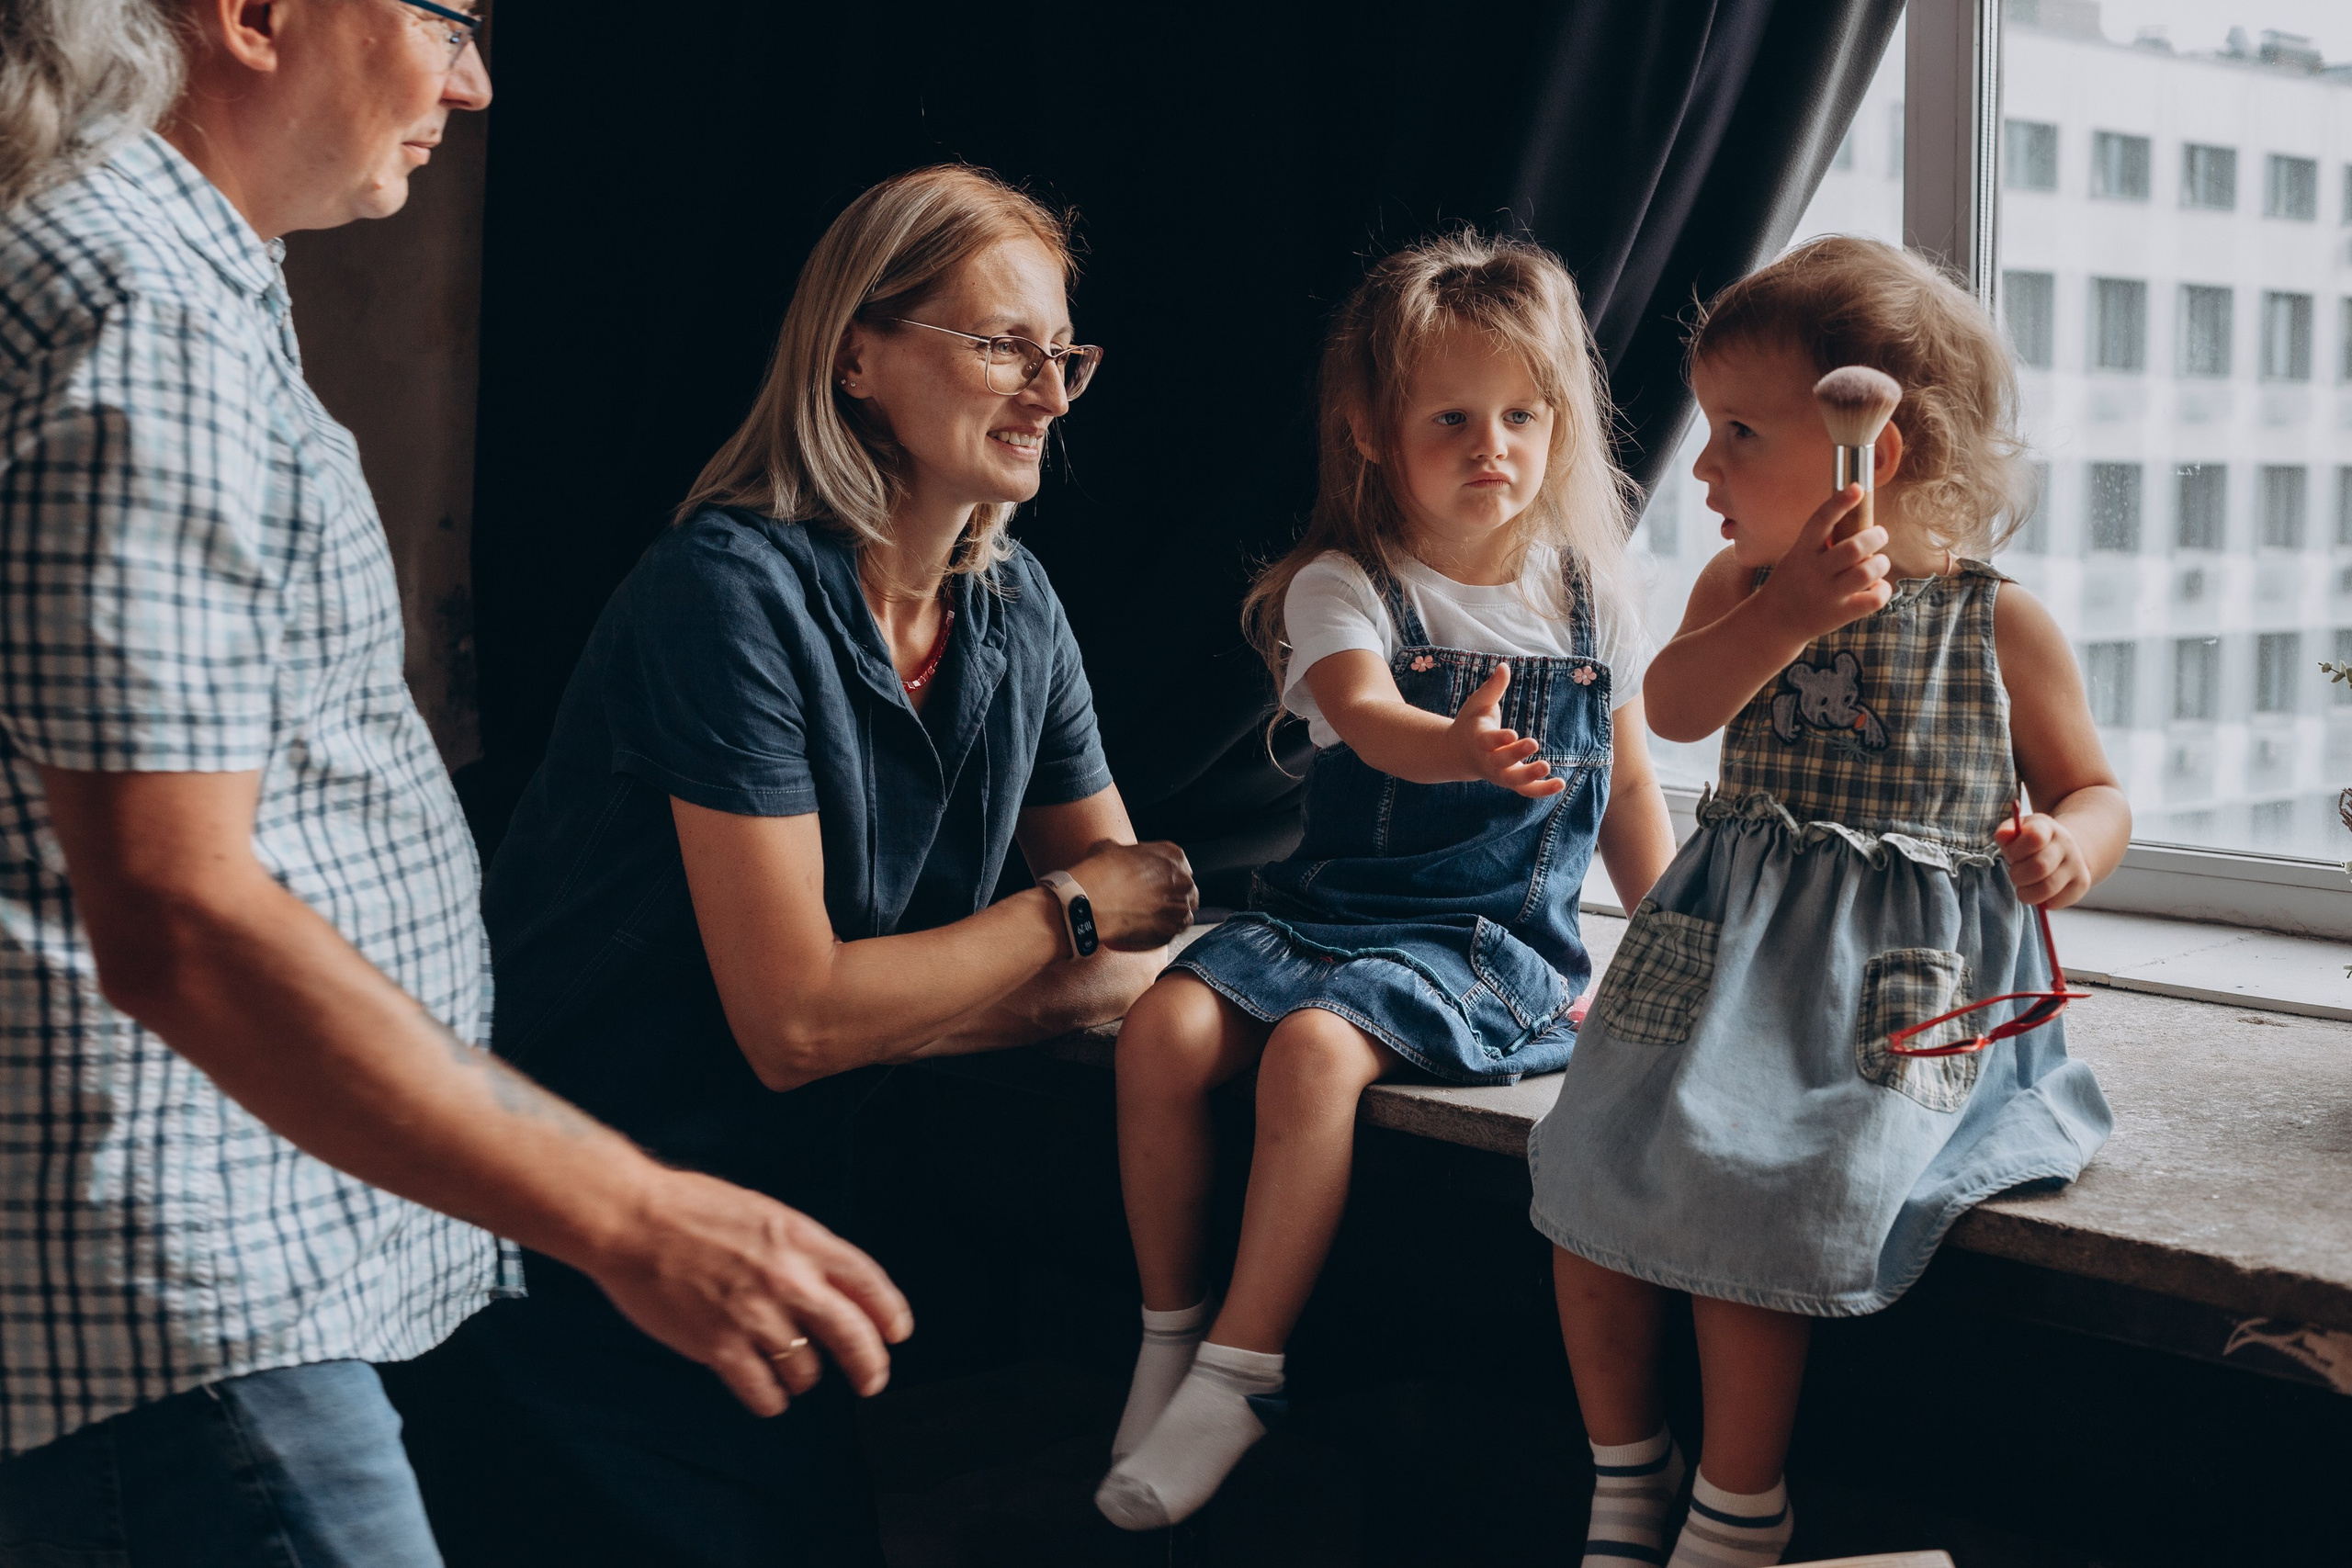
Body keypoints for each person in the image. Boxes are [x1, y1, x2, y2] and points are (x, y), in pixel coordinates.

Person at [0, 4, 910, 1563]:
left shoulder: (174, 284)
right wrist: (629, 1214)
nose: (475, 82)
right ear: (258, 15)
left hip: (205, 1282)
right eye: (450, 19)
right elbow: (175, 910)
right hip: (179, 1302)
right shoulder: (144, 304)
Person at [406, 164, 1196, 1564]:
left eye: (1062, 351)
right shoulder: (725, 594)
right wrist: (1059, 913)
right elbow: (803, 1021)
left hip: (777, 1237)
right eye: (1003, 343)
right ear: (857, 358)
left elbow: (1135, 964)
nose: (1050, 390)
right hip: (563, 1247)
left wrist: (902, 1001)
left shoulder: (1015, 605)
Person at [1528, 236, 2123, 1568]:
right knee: (1585, 1162)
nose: (1704, 468)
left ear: (1878, 449)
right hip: (1723, 962)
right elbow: (1675, 709)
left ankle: (1742, 1503)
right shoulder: (1742, 588)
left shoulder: (1994, 625)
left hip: (1891, 994)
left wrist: (2070, 850)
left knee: (1769, 1189)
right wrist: (1787, 615)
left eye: (1738, 432)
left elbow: (2096, 789)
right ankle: (1627, 1469)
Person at [1095, 231, 1679, 1531]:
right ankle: (1167, 1331)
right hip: (1332, 917)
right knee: (1162, 1031)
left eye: (1524, 415)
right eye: (1454, 417)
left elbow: (1630, 792)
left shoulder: (1590, 597)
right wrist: (1453, 743)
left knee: (1313, 1053)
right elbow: (1363, 717)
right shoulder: (1341, 586)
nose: (1496, 448)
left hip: (1488, 948)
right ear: (1371, 428)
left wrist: (1689, 945)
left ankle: (1243, 1369)